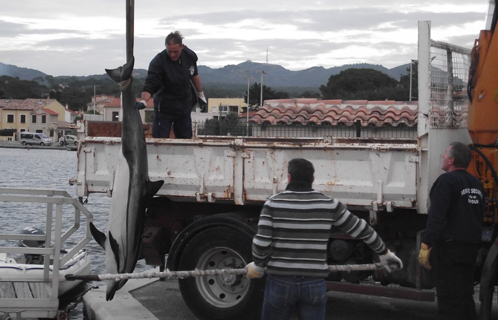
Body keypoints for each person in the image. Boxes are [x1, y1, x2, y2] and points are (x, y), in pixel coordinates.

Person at [246, 158, 403, 320]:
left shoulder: (273, 204)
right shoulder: (329, 204)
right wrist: (385, 253)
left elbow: (261, 242)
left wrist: (258, 265)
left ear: (289, 177)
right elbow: (363, 230)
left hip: (280, 283)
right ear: (312, 179)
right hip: (314, 284)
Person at [418, 142, 485, 320]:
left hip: (449, 250)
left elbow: (437, 217)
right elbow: (479, 215)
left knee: (449, 298)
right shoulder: (477, 184)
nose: (443, 156)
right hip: (470, 248)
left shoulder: (446, 181)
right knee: (464, 295)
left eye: (445, 153)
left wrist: (426, 245)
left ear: (452, 160)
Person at [139, 31, 207, 138]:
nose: (172, 55)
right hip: (165, 109)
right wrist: (144, 100)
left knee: (185, 143)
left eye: (175, 51)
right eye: (169, 51)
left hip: (184, 107)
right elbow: (150, 84)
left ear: (182, 47)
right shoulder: (158, 62)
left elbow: (194, 74)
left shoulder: (189, 56)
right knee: (159, 143)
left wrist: (201, 95)